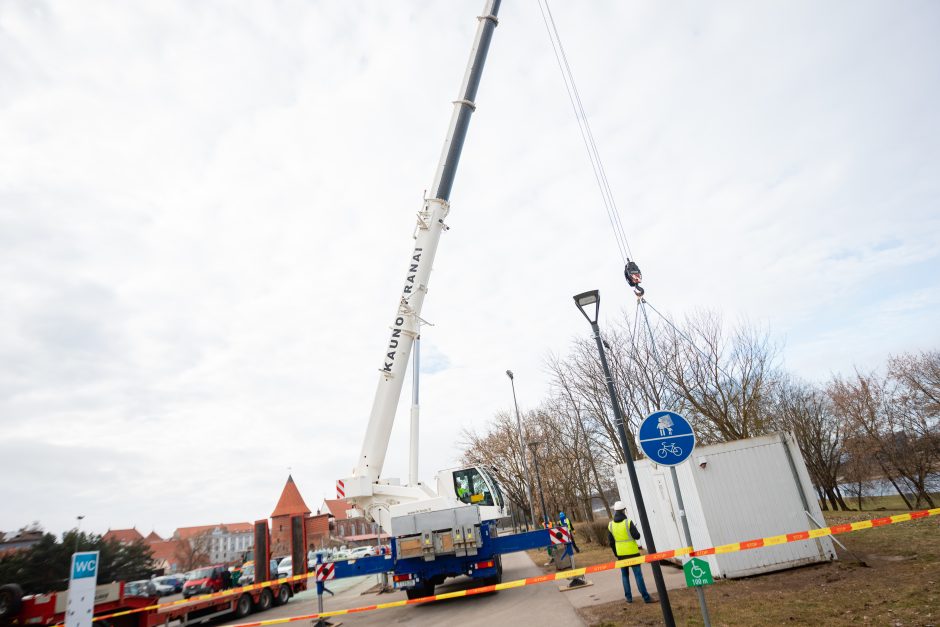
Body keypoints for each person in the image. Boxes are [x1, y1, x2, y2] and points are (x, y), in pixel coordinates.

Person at [607, 501, 652, 604]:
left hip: (621, 555)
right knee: (638, 575)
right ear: (624, 510)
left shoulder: (611, 525)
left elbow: (611, 542)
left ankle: (628, 598)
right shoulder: (628, 522)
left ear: (615, 511)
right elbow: (637, 536)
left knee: (624, 576)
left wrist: (616, 554)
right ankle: (646, 597)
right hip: (633, 553)